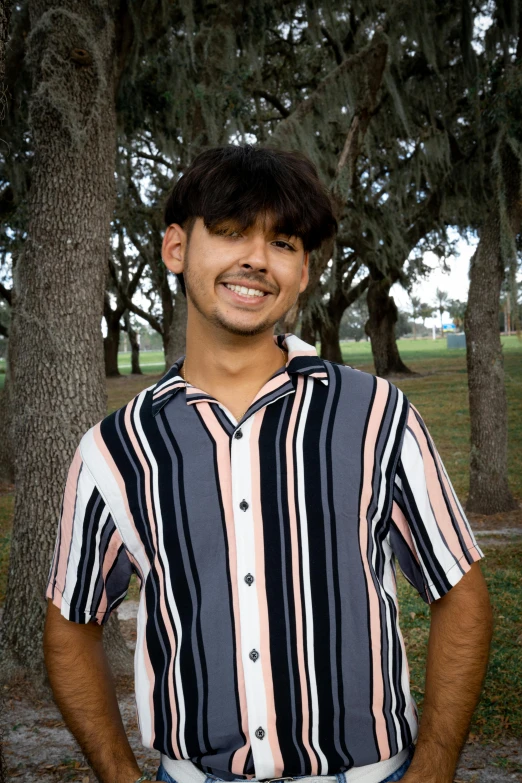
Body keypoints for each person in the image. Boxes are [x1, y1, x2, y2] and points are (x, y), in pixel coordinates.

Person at [43, 145, 493, 783]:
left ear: (303, 270)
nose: (256, 258)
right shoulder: (114, 450)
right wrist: (119, 774)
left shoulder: (375, 414)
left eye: (282, 242)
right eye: (230, 233)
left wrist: (437, 764)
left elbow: (462, 592)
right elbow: (70, 623)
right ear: (176, 249)